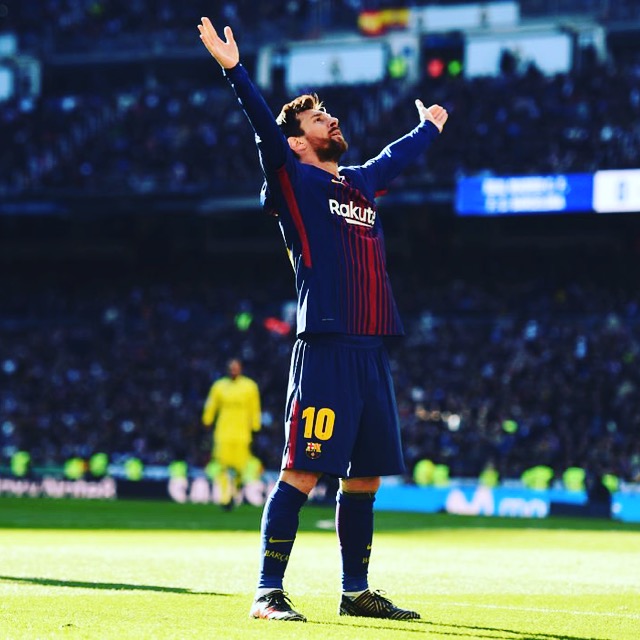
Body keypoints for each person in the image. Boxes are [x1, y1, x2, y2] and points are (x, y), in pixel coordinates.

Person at [198, 17, 448, 623]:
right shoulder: (295, 180)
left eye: (328, 115)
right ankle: (268, 592)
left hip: (371, 348)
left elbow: (392, 160)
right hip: (326, 346)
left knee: (365, 479)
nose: (330, 120)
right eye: (317, 119)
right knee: (303, 470)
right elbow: (264, 127)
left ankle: (355, 591)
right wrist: (234, 70)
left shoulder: (358, 183)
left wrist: (428, 128)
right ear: (298, 143)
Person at [202, 358, 262, 509]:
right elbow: (211, 404)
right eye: (231, 368)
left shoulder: (250, 386)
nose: (233, 370)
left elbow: (255, 408)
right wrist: (207, 419)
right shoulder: (219, 386)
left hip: (242, 434)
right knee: (221, 466)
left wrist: (256, 426)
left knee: (241, 468)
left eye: (236, 367)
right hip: (223, 433)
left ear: (240, 369)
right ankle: (225, 498)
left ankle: (234, 491)